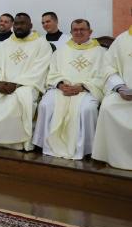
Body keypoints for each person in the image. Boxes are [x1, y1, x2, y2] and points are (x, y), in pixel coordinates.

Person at [0, 13, 51, 151]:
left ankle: (17, 143)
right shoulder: (6, 43)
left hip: (26, 85)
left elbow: (40, 69)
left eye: (22, 24)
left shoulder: (42, 44)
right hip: (2, 82)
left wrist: (18, 84)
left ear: (30, 25)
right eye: (16, 24)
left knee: (21, 98)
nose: (19, 27)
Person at [32, 19, 105, 160]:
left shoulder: (101, 52)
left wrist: (82, 86)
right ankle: (45, 145)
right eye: (75, 30)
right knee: (46, 105)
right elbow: (52, 72)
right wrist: (59, 84)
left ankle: (87, 148)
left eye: (82, 29)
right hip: (61, 89)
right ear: (71, 32)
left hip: (86, 90)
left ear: (90, 32)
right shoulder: (62, 51)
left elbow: (103, 77)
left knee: (87, 110)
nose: (78, 32)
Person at [92, 25, 132, 170]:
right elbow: (107, 68)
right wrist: (120, 87)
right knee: (108, 107)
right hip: (125, 92)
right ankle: (114, 156)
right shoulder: (121, 40)